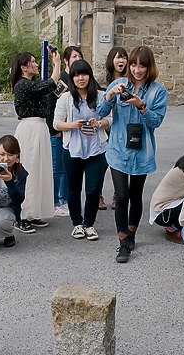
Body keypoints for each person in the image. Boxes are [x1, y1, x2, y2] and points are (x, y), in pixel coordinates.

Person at [97, 45, 168, 263]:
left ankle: (131, 235)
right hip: (118, 148)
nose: (137, 70)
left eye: (142, 66)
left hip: (141, 150)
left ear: (149, 67)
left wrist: (141, 105)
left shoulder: (158, 91)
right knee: (122, 195)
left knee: (136, 194)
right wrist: (109, 95)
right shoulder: (119, 84)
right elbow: (100, 112)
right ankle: (122, 243)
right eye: (134, 65)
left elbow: (156, 122)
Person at [53, 59, 110, 241]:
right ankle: (77, 223)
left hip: (96, 148)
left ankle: (89, 224)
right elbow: (56, 123)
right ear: (72, 78)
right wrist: (72, 125)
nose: (80, 78)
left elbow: (111, 118)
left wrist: (99, 123)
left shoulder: (101, 96)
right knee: (73, 188)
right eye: (76, 75)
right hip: (72, 148)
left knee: (93, 189)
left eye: (84, 74)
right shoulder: (66, 98)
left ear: (90, 76)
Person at [11, 48, 61, 233]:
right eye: (32, 62)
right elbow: (51, 83)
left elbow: (50, 89)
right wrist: (56, 64)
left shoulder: (31, 84)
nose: (36, 64)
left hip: (40, 128)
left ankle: (34, 213)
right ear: (23, 67)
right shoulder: (22, 85)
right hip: (29, 129)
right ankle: (22, 215)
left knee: (40, 170)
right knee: (29, 170)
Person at [49, 46, 84, 218]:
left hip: (75, 131)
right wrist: (54, 129)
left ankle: (65, 200)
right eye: (74, 56)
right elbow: (51, 106)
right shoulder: (62, 79)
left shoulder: (80, 77)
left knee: (69, 170)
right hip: (59, 130)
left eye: (79, 56)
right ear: (65, 60)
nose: (77, 58)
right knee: (58, 169)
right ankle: (57, 201)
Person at [101, 46, 128, 211]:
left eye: (124, 57)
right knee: (101, 163)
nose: (121, 61)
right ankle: (97, 194)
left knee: (121, 163)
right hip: (104, 127)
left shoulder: (130, 81)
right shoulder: (103, 82)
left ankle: (119, 195)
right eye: (118, 57)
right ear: (111, 60)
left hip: (121, 128)